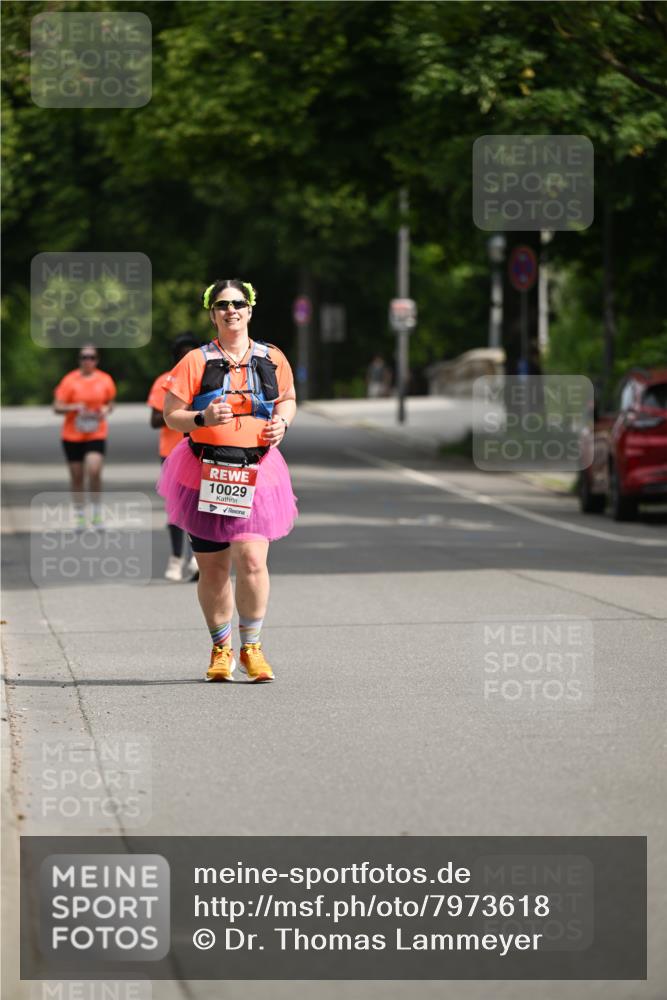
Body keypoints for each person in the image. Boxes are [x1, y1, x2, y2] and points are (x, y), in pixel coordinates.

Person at [158, 279, 297, 683]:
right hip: (204, 471)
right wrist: (202, 419)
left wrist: (282, 423)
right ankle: (221, 651)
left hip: (258, 470)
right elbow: (172, 414)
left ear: (250, 310)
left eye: (238, 303)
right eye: (222, 305)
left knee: (253, 560)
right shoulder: (195, 361)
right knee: (214, 568)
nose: (231, 310)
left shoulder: (272, 357)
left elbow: (287, 398)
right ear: (212, 313)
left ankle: (252, 648)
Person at [147, 333, 201, 582]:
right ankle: (176, 557)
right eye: (183, 355)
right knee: (176, 507)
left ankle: (196, 557)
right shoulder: (164, 381)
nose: (187, 359)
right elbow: (155, 420)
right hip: (172, 453)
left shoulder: (206, 378)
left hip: (201, 450)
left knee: (199, 507)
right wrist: (179, 412)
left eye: (192, 353)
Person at [53, 345, 116, 530]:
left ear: (97, 360)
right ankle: (80, 515)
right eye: (84, 357)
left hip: (96, 432)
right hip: (72, 435)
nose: (87, 360)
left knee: (94, 470)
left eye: (91, 357)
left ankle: (96, 513)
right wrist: (73, 407)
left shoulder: (105, 379)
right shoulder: (69, 380)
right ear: (79, 359)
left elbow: (110, 402)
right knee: (77, 476)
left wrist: (105, 409)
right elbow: (57, 406)